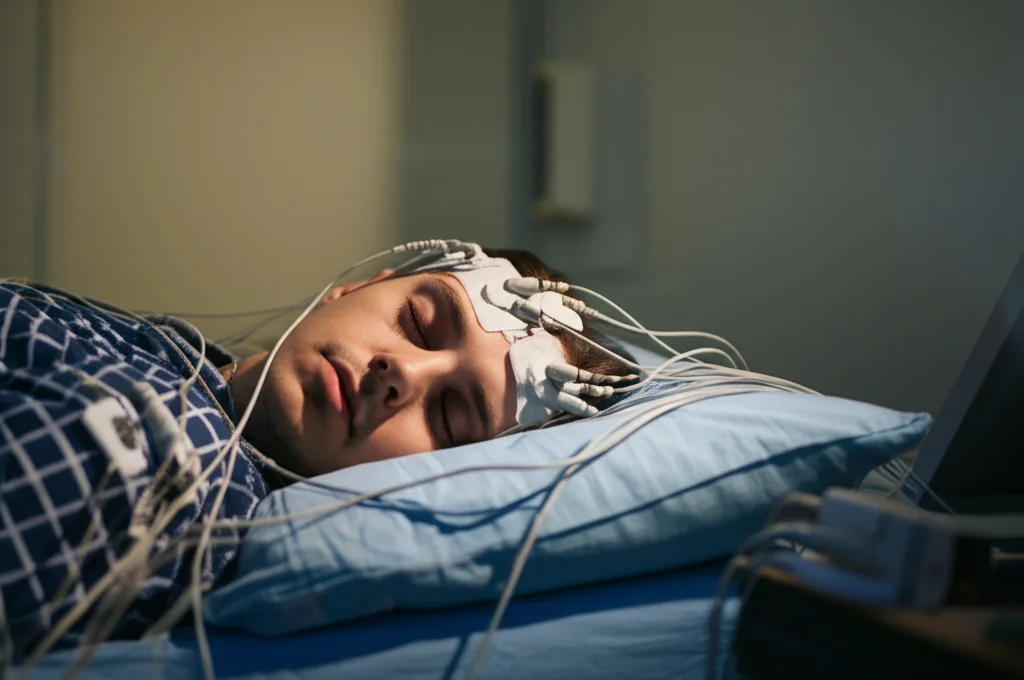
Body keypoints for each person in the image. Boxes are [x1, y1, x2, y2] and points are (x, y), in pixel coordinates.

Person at [0, 246, 630, 663]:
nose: (401, 372)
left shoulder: (172, 461)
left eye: (449, 415)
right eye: (416, 322)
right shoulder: (168, 354)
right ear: (357, 287)